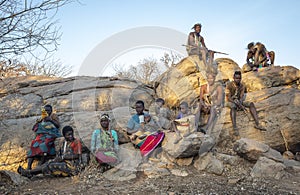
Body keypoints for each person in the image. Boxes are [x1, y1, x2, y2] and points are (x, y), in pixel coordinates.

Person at [18, 126, 82, 178]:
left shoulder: (76, 142)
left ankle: (29, 172)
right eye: (68, 135)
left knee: (50, 165)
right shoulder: (64, 142)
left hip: (73, 166)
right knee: (47, 163)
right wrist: (58, 158)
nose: (71, 136)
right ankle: (30, 172)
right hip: (64, 162)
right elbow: (60, 153)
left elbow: (78, 156)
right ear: (64, 136)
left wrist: (63, 157)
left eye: (71, 134)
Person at [225, 71, 266, 136]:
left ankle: (257, 124)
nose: (237, 80)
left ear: (241, 78)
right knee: (233, 107)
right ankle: (234, 128)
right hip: (230, 101)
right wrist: (236, 103)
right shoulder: (229, 85)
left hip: (238, 101)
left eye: (239, 78)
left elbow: (241, 96)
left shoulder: (242, 85)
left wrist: (240, 103)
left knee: (251, 104)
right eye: (236, 78)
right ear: (233, 78)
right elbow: (228, 98)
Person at [27, 105, 61, 170]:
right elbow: (35, 127)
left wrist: (50, 120)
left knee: (44, 145)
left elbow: (57, 125)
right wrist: (39, 121)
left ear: (51, 111)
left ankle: (40, 164)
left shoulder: (53, 116)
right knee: (34, 144)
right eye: (45, 110)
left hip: (50, 134)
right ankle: (29, 167)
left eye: (48, 110)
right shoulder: (42, 117)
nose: (47, 112)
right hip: (42, 135)